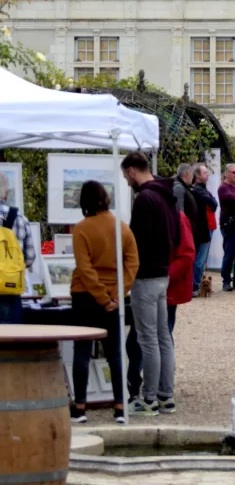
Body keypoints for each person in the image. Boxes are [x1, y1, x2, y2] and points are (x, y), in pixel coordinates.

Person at [69, 180, 139, 424]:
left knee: (82, 351)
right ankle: (120, 406)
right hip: (114, 297)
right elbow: (132, 263)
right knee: (115, 352)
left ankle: (80, 407)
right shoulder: (122, 228)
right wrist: (117, 295)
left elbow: (84, 267)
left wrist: (100, 295)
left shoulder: (81, 229)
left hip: (85, 296)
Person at [120, 150, 180, 416]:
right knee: (163, 337)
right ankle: (166, 395)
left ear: (133, 170)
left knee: (148, 339)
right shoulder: (168, 194)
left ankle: (149, 399)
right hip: (163, 272)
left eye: (126, 176)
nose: (126, 182)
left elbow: (136, 242)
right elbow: (176, 234)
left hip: (145, 275)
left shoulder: (145, 198)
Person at [127, 208, 194, 403]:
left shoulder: (176, 217)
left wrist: (162, 278)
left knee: (150, 340)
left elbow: (187, 255)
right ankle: (156, 390)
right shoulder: (166, 215)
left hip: (162, 287)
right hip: (160, 285)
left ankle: (150, 392)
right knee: (151, 339)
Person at [0, 170, 35, 324]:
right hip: (10, 290)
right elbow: (29, 258)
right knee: (11, 343)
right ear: (5, 193)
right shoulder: (19, 217)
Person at [190, 162, 218, 295]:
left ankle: (196, 285)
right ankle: (195, 286)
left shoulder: (204, 190)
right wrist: (211, 201)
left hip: (207, 226)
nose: (207, 175)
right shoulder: (198, 191)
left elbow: (214, 203)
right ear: (197, 175)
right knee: (200, 259)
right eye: (205, 172)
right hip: (203, 227)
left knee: (200, 259)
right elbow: (212, 203)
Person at [218, 164, 235, 292]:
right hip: (229, 224)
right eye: (233, 172)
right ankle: (226, 280)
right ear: (226, 173)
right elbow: (234, 198)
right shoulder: (223, 188)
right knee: (229, 253)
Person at [172, 163, 198, 239]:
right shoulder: (179, 187)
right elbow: (180, 213)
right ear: (186, 174)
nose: (193, 177)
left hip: (188, 230)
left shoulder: (183, 186)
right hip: (184, 233)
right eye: (192, 174)